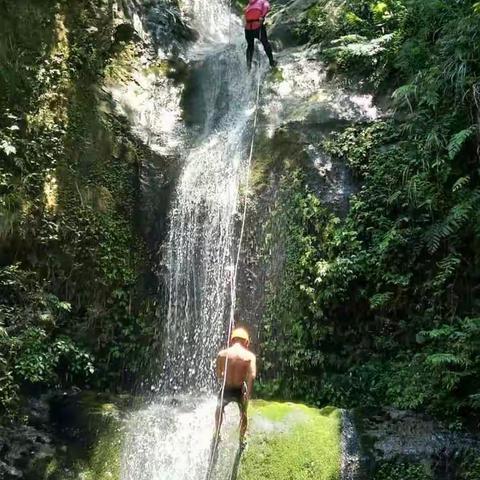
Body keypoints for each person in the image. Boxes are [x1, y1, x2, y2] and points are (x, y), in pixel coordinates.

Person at [214, 327, 257, 449]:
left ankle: (217, 433)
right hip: (239, 389)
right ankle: (242, 439)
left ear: (232, 340)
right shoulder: (249, 356)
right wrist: (247, 394)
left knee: (218, 409)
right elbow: (252, 375)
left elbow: (218, 374)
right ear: (246, 342)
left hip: (226, 388)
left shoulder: (222, 354)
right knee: (243, 413)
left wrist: (226, 375)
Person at [244, 0, 277, 70]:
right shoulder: (263, 1)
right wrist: (262, 16)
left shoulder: (249, 4)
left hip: (248, 28)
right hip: (257, 26)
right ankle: (272, 62)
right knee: (265, 44)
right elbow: (267, 7)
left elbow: (245, 13)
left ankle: (248, 66)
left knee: (250, 46)